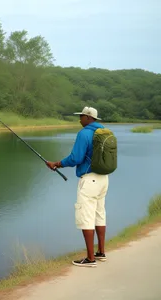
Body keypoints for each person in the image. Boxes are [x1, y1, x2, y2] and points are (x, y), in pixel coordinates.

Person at [46, 107, 109, 268]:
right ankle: (101, 252)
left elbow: (76, 158)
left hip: (89, 180)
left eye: (81, 116)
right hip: (103, 179)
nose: (79, 119)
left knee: (86, 217)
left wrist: (57, 164)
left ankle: (90, 259)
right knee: (99, 214)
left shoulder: (85, 133)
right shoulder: (104, 132)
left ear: (88, 117)